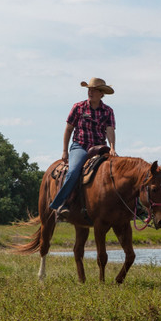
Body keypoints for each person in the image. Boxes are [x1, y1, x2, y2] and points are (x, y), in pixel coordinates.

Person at [49, 77, 117, 219]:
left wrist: (112, 148)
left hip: (99, 148)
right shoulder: (78, 107)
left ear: (101, 93)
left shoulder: (108, 111)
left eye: (94, 90)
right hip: (80, 146)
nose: (90, 92)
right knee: (73, 171)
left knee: (119, 170)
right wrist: (64, 150)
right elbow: (68, 129)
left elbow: (110, 130)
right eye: (89, 90)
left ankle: (133, 207)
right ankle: (62, 204)